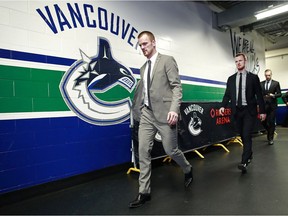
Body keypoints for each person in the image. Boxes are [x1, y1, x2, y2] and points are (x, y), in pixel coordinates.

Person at [129, 31, 193, 208]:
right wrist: (140, 110)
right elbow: (144, 92)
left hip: (166, 114)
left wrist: (174, 109)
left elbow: (176, 87)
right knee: (142, 150)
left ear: (154, 43)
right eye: (140, 45)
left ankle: (187, 168)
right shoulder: (143, 68)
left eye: (145, 44)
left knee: (171, 150)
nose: (143, 47)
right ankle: (144, 192)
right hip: (147, 114)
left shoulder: (167, 60)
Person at [219, 53, 266, 173]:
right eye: (236, 61)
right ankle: (249, 154)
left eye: (240, 60)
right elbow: (227, 95)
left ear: (245, 61)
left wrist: (262, 111)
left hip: (248, 111)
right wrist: (222, 106)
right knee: (242, 134)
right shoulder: (231, 79)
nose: (238, 63)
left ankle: (244, 161)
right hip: (236, 112)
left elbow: (259, 96)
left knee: (246, 134)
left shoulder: (253, 78)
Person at [260, 69, 282, 145]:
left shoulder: (276, 83)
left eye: (269, 75)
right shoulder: (261, 84)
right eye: (266, 75)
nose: (267, 77)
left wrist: (274, 95)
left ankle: (270, 138)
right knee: (263, 121)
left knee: (271, 122)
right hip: (264, 106)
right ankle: (269, 131)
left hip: (272, 106)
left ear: (271, 75)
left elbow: (280, 94)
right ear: (264, 75)